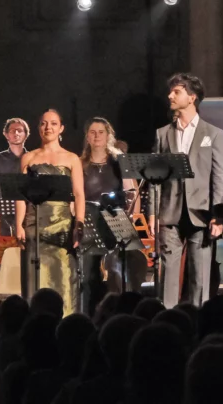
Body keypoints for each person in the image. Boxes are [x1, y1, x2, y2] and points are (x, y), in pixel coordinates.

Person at [149, 73, 223, 308]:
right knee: (168, 274)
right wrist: (152, 212)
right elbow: (154, 177)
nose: (170, 96)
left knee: (200, 276)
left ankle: (198, 320)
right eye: (171, 91)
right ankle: (168, 319)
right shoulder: (162, 133)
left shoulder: (213, 133)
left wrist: (218, 214)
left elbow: (219, 177)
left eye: (177, 92)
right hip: (169, 212)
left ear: (192, 97)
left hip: (201, 213)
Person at [15, 110, 85, 316]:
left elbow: (79, 194)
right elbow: (21, 195)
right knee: (34, 281)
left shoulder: (72, 158)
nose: (48, 128)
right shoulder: (28, 157)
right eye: (44, 123)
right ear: (38, 128)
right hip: (34, 225)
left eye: (53, 123)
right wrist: (18, 225)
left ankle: (66, 325)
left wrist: (79, 223)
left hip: (62, 227)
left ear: (61, 128)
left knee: (63, 279)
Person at [80, 117, 143, 311]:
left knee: (125, 267)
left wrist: (132, 219)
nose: (97, 136)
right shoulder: (80, 164)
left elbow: (132, 193)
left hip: (116, 219)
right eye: (92, 132)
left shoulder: (118, 161)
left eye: (101, 132)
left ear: (108, 136)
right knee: (89, 274)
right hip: (90, 222)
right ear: (87, 137)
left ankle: (124, 311)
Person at [0, 118, 29, 199]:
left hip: (28, 206)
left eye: (20, 130)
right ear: (6, 135)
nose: (16, 133)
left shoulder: (33, 158)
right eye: (12, 131)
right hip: (5, 205)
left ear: (26, 134)